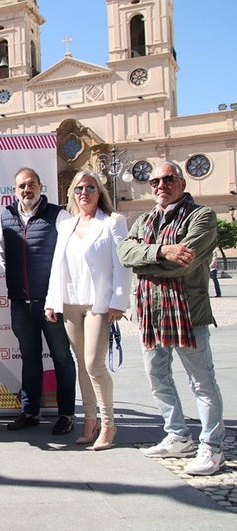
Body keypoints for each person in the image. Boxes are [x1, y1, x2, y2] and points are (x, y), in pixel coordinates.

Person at [118, 161, 226, 476]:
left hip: (187, 313)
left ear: (180, 181)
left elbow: (186, 264)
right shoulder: (144, 219)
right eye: (154, 181)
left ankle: (212, 446)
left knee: (202, 382)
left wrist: (145, 258)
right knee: (158, 378)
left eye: (168, 179)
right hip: (151, 313)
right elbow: (125, 254)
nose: (160, 186)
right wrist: (162, 252)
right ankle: (177, 435)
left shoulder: (201, 216)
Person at [44, 170, 131, 450]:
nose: (85, 193)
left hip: (98, 303)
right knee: (81, 364)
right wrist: (51, 300)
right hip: (70, 302)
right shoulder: (65, 224)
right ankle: (89, 421)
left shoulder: (114, 222)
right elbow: (58, 265)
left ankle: (109, 424)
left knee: (95, 363)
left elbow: (122, 264)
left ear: (99, 192)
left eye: (91, 188)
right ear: (72, 193)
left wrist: (119, 300)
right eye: (80, 188)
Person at [0, 167, 77, 436]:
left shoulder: (59, 215)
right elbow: (2, 256)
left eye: (31, 184)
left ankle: (66, 414)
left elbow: (69, 258)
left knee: (62, 357)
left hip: (52, 304)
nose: (26, 190)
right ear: (14, 190)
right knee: (29, 358)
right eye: (21, 186)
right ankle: (30, 411)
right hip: (21, 303)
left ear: (41, 187)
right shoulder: (5, 217)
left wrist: (57, 297)